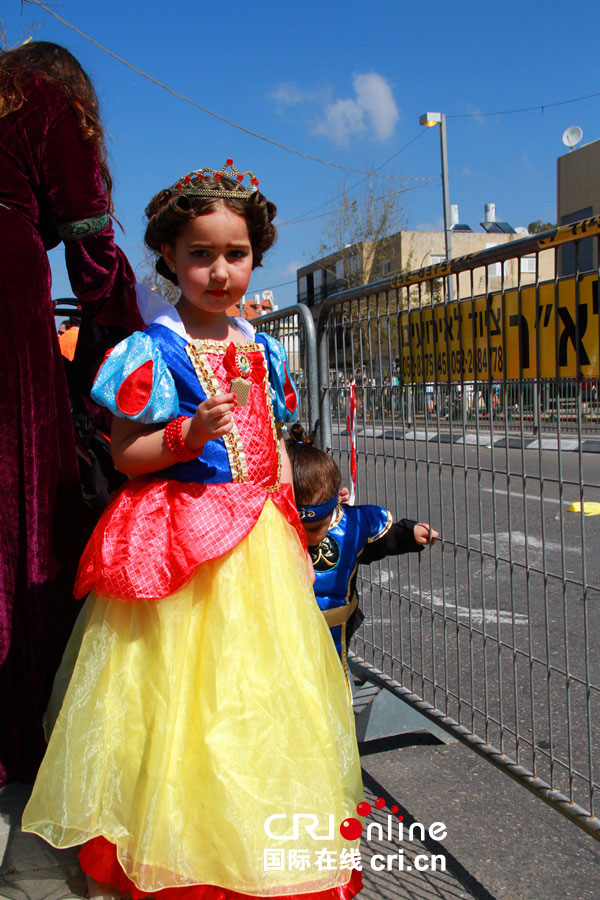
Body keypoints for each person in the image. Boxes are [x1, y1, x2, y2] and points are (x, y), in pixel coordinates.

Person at [22, 161, 364, 900]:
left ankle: (254, 827)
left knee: (258, 695)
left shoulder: (263, 349)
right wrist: (183, 434)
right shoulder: (154, 349)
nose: (218, 271)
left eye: (234, 254)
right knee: (176, 698)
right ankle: (175, 835)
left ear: (256, 258)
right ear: (169, 259)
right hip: (177, 542)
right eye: (200, 254)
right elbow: (124, 454)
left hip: (257, 546)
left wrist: (293, 539)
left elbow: (271, 447)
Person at [0, 41, 142, 786]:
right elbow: (89, 238)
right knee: (23, 499)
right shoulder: (44, 96)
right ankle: (21, 719)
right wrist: (124, 330)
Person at [286, 424, 438, 668]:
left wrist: (409, 534)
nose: (307, 535)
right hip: (286, 638)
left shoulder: (349, 525)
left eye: (315, 528)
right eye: (300, 527)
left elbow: (376, 545)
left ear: (336, 502)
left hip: (339, 633)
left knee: (334, 684)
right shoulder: (276, 532)